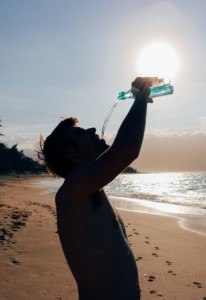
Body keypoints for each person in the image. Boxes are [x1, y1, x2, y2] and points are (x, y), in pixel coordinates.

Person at [41, 77, 153, 300]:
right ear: (70, 153)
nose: (92, 129)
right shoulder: (72, 192)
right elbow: (126, 149)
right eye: (81, 132)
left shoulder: (91, 190)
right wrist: (139, 99)